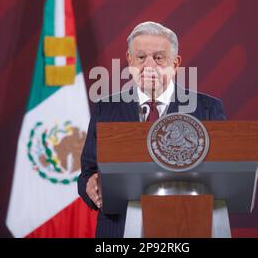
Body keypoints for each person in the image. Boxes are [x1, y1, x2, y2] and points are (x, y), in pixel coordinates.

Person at [78, 21, 226, 238]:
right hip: (118, 231)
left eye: (158, 58)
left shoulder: (208, 109)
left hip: (188, 230)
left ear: (175, 64)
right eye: (140, 57)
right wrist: (90, 185)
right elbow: (87, 174)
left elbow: (225, 172)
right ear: (129, 61)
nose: (149, 66)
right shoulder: (105, 109)